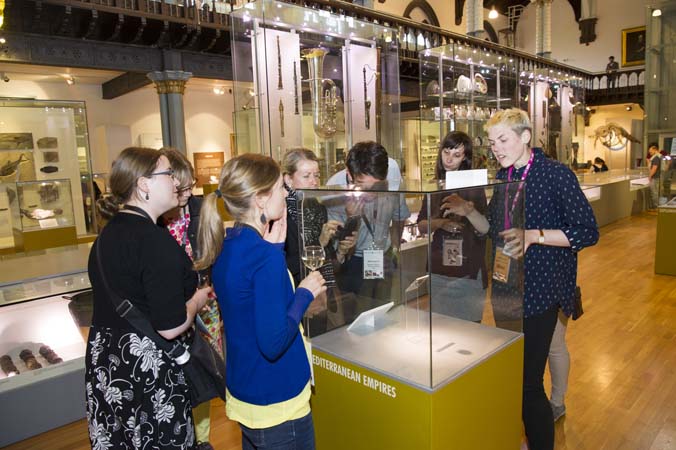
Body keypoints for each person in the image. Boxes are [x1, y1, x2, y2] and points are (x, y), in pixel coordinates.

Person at [194, 154, 326, 450]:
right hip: (278, 399)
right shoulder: (264, 256)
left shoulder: (229, 243)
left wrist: (274, 251)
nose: (286, 193)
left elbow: (250, 307)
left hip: (247, 390)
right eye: (281, 187)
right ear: (261, 199)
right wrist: (304, 293)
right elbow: (274, 341)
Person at [485, 109, 599, 450]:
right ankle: (526, 435)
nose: (497, 148)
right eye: (492, 143)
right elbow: (495, 230)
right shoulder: (503, 177)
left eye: (503, 140)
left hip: (542, 291)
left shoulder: (555, 175)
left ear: (525, 137)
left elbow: (587, 232)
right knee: (514, 376)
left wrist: (535, 235)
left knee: (528, 383)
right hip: (507, 288)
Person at [86, 147, 213, 450]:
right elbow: (170, 326)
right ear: (144, 184)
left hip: (107, 363)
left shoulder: (106, 236)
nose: (176, 182)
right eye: (168, 174)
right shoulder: (155, 242)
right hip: (148, 368)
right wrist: (197, 299)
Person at [159, 148, 222, 450]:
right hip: (174, 305)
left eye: (188, 186)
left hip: (206, 300)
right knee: (177, 371)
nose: (184, 193)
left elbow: (215, 251)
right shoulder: (155, 220)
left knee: (205, 366)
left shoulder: (201, 209)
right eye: (178, 187)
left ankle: (203, 439)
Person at [326, 141, 410, 319]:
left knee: (383, 312)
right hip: (353, 261)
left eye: (377, 186)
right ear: (350, 175)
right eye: (364, 186)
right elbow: (339, 248)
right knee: (355, 319)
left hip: (384, 254)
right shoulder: (334, 189)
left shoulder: (392, 171)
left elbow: (399, 215)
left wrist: (395, 249)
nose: (371, 193)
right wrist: (352, 218)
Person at [416, 131, 490, 322]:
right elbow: (422, 226)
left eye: (456, 155)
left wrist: (468, 211)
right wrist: (441, 223)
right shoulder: (435, 186)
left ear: (465, 158)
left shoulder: (473, 186)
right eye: (446, 153)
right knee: (441, 332)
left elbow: (485, 228)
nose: (449, 159)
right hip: (439, 270)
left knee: (470, 332)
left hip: (468, 272)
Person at [282, 148, 356, 333]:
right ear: (288, 179)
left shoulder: (317, 207)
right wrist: (319, 244)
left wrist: (341, 251)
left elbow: (327, 261)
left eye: (317, 175)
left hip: (323, 290)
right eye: (306, 176)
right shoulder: (281, 214)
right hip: (295, 296)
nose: (314, 182)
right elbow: (285, 266)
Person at [648, 143, 661, 210]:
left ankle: (656, 207)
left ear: (655, 150)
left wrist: (650, 176)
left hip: (655, 177)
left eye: (650, 151)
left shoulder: (655, 158)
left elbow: (654, 168)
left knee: (654, 192)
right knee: (655, 192)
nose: (650, 153)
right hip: (656, 177)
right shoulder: (658, 157)